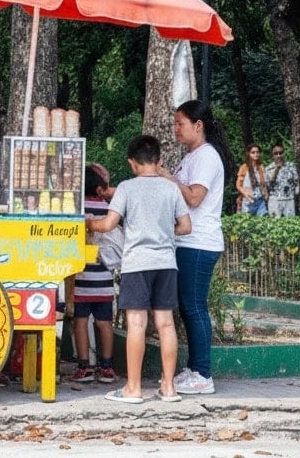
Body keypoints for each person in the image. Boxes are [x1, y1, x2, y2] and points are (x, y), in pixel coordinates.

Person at [89, 135, 191, 404]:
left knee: (136, 323)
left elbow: (109, 224)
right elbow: (186, 226)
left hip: (137, 264)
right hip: (167, 263)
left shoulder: (126, 187)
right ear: (159, 161)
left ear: (132, 164)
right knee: (166, 323)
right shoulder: (171, 189)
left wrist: (89, 223)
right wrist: (163, 232)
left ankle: (133, 389)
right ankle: (168, 388)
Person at [159, 99, 232, 396]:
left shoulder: (206, 156)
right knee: (188, 307)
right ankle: (194, 367)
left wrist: (166, 176)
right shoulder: (192, 156)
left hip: (199, 242)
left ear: (198, 126)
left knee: (194, 306)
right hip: (186, 241)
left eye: (180, 123)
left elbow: (193, 197)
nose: (176, 129)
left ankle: (203, 373)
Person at [71, 164, 118, 384]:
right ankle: (107, 367)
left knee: (80, 322)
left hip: (80, 276)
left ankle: (84, 367)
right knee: (104, 322)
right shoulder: (108, 207)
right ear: (100, 187)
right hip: (104, 275)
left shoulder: (76, 207)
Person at [265, 144, 298, 217]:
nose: (279, 155)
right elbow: (268, 185)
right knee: (274, 224)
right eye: (276, 153)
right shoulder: (268, 168)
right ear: (272, 155)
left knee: (291, 223)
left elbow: (297, 181)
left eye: (281, 153)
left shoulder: (291, 166)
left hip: (289, 199)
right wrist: (277, 169)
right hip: (274, 200)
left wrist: (296, 193)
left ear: (284, 153)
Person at [235, 144, 268, 215]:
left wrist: (266, 195)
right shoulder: (244, 167)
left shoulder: (261, 167)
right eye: (253, 152)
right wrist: (246, 195)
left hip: (260, 201)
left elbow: (263, 184)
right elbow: (238, 185)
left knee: (262, 222)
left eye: (257, 152)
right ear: (248, 154)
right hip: (248, 202)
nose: (256, 154)